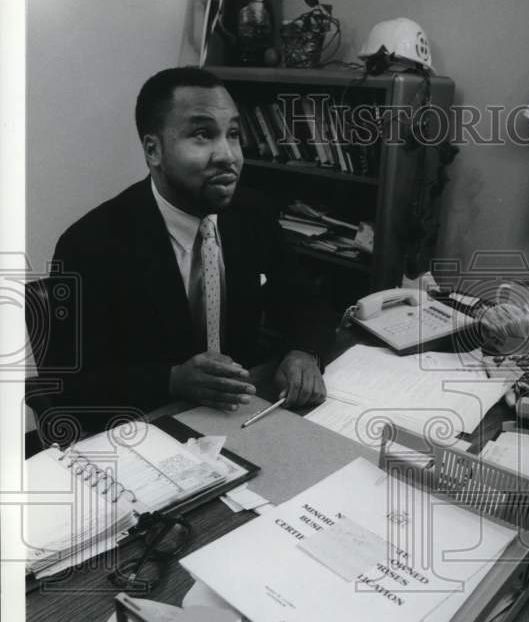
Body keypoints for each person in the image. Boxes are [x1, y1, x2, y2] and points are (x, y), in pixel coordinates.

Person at [37, 66, 335, 435]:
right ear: (153, 150)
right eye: (202, 134)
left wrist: (304, 351)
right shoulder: (90, 243)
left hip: (241, 418)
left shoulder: (251, 213)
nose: (228, 155)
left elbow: (304, 300)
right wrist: (172, 379)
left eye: (234, 134)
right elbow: (66, 385)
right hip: (146, 429)